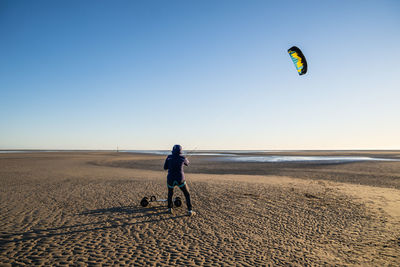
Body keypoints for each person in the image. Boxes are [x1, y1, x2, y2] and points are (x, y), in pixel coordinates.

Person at [163, 145, 195, 216]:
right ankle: (190, 210)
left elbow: (165, 167)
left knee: (170, 193)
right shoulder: (183, 158)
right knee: (187, 194)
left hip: (170, 179)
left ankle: (169, 208)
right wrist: (185, 160)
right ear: (180, 151)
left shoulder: (169, 157)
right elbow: (187, 164)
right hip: (180, 179)